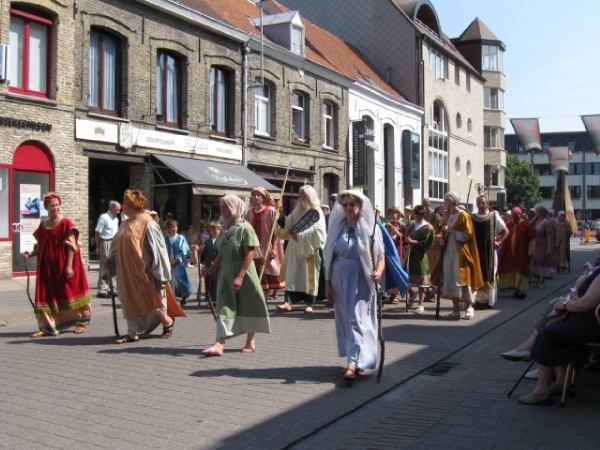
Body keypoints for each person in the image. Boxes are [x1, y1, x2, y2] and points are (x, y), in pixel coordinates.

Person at [516, 266, 600, 405]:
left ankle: (542, 390)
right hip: (589, 322)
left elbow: (586, 304)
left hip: (593, 325)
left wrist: (566, 305)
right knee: (558, 322)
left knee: (548, 334)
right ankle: (561, 383)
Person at [324, 191, 385, 382]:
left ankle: (352, 364)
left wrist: (378, 272)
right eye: (345, 205)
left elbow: (381, 257)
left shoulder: (371, 229)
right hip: (339, 278)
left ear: (360, 206)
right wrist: (327, 284)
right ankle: (356, 360)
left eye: (352, 204)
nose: (349, 208)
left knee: (356, 319)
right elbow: (328, 256)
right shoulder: (337, 228)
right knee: (345, 318)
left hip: (360, 279)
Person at [107, 189, 181, 344]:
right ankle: (132, 332)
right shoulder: (125, 223)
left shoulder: (148, 223)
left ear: (132, 206)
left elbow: (158, 249)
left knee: (150, 300)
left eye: (125, 203)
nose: (122, 206)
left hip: (144, 272)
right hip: (125, 271)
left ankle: (167, 321)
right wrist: (110, 259)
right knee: (128, 301)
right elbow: (117, 244)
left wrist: (159, 272)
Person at [201, 195, 271, 356]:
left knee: (247, 306)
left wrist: (240, 276)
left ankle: (250, 340)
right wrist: (210, 269)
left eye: (226, 206)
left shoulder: (245, 228)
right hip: (225, 274)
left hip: (244, 272)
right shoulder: (224, 229)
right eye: (221, 207)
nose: (223, 210)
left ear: (235, 208)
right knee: (224, 307)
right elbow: (222, 253)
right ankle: (219, 344)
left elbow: (249, 255)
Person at [22, 192, 92, 338]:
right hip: (47, 267)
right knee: (48, 294)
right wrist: (31, 254)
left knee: (70, 291)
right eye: (52, 206)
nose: (55, 208)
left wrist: (69, 266)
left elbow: (71, 246)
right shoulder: (43, 225)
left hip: (63, 264)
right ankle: (48, 326)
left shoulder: (66, 223)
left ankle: (81, 322)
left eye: (57, 205)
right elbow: (41, 246)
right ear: (47, 207)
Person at [275, 185, 327, 313]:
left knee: (308, 278)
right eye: (299, 194)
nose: (300, 197)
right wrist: (281, 216)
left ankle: (309, 304)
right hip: (294, 249)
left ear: (309, 196)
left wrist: (301, 236)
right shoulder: (296, 211)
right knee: (292, 275)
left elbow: (319, 231)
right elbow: (288, 225)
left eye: (303, 194)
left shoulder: (317, 211)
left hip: (308, 250)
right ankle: (287, 302)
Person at [435, 191, 483, 320]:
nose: (444, 203)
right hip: (449, 251)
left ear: (451, 201)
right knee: (450, 279)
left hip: (461, 252)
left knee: (463, 280)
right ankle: (455, 310)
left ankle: (469, 307)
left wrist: (451, 231)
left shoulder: (463, 215)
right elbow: (440, 232)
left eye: (445, 200)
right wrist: (441, 239)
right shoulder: (447, 216)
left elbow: (467, 236)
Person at [245, 187, 285, 299]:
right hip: (254, 245)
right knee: (255, 267)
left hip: (268, 244)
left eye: (259, 195)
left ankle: (267, 293)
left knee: (269, 267)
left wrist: (273, 248)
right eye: (254, 195)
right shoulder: (249, 212)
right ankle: (259, 291)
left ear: (263, 197)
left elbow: (276, 231)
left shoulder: (271, 211)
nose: (256, 197)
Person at [471, 194, 509, 310]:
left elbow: (506, 231)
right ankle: (477, 300)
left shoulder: (493, 217)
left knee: (489, 274)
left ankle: (488, 300)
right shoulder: (472, 217)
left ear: (488, 204)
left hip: (489, 252)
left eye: (483, 203)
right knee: (477, 274)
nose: (481, 205)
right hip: (476, 251)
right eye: (479, 203)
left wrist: (499, 242)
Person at [497, 207, 536, 299]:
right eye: (513, 215)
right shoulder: (508, 224)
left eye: (515, 215)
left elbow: (532, 239)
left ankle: (521, 290)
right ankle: (515, 289)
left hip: (522, 252)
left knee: (521, 270)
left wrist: (531, 251)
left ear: (520, 215)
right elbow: (501, 234)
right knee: (508, 268)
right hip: (508, 252)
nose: (514, 217)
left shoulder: (526, 225)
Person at [404, 205, 435, 314]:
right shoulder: (411, 224)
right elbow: (405, 236)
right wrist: (406, 236)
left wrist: (412, 241)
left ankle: (421, 304)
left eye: (419, 215)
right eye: (415, 215)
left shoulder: (428, 227)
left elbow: (427, 243)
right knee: (404, 277)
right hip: (409, 254)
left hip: (420, 255)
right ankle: (412, 294)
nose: (417, 217)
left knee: (421, 282)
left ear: (424, 215)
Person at [94, 200, 121, 298]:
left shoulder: (116, 219)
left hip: (114, 242)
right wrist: (97, 246)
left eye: (119, 210)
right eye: (117, 210)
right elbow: (97, 232)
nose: (118, 212)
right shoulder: (104, 217)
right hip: (105, 241)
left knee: (113, 264)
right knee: (105, 264)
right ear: (111, 208)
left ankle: (112, 288)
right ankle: (102, 289)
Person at [164, 219, 194, 306]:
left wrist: (177, 259)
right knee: (171, 280)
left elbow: (184, 250)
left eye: (176, 226)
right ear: (168, 229)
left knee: (179, 278)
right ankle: (173, 297)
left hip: (178, 263)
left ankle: (186, 293)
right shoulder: (166, 239)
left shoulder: (180, 238)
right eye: (172, 227)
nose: (174, 228)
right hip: (169, 262)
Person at [531, 206, 553, 289]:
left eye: (537, 211)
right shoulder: (536, 222)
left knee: (541, 263)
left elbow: (549, 236)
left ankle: (541, 281)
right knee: (534, 262)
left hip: (543, 245)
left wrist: (549, 247)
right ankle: (537, 279)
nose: (536, 213)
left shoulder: (546, 222)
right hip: (535, 244)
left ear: (542, 212)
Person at [200, 221, 220, 306]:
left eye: (217, 229)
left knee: (218, 282)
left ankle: (219, 300)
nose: (215, 231)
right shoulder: (207, 242)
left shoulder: (222, 241)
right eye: (213, 229)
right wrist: (201, 251)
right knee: (210, 282)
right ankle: (210, 300)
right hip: (209, 264)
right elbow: (203, 257)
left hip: (219, 265)